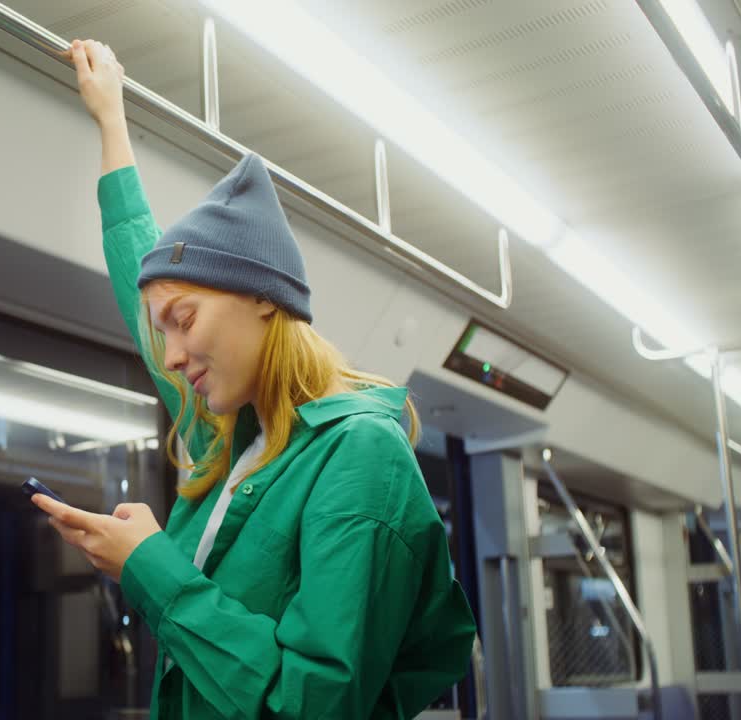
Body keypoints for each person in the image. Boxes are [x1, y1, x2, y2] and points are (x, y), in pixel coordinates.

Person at [31, 38, 477, 720]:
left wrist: (149, 566)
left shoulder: (359, 457)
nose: (170, 356)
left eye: (183, 320)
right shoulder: (233, 437)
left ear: (263, 297)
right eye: (163, 332)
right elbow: (137, 274)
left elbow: (315, 705)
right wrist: (111, 120)